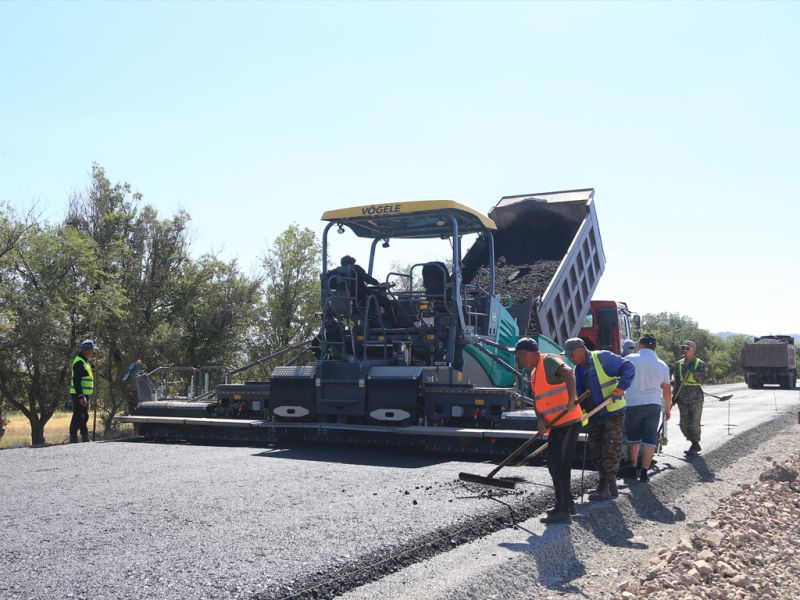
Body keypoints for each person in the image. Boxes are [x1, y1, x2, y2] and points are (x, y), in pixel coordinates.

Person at [511, 337, 582, 525]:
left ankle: (563, 509)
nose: (519, 361)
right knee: (555, 463)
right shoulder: (535, 373)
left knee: (558, 464)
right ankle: (567, 504)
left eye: (519, 357)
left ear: (526, 353)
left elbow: (568, 373)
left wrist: (570, 398)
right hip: (556, 424)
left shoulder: (548, 360)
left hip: (567, 421)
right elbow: (538, 401)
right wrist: (540, 419)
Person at [563, 337, 635, 501]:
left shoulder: (602, 358)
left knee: (610, 448)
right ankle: (610, 484)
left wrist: (620, 388)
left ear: (581, 349)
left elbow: (628, 367)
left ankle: (605, 486)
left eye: (572, 355)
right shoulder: (577, 370)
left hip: (611, 412)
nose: (570, 358)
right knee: (596, 451)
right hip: (594, 414)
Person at [621, 334, 672, 482]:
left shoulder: (629, 359)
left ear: (641, 345)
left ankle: (632, 468)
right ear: (654, 347)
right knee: (650, 438)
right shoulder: (662, 365)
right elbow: (667, 390)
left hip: (633, 404)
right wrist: (667, 409)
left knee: (633, 437)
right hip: (653, 405)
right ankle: (644, 472)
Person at [673, 339, 706, 455]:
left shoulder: (699, 363)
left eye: (688, 348)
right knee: (683, 424)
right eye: (683, 348)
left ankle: (695, 443)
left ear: (694, 350)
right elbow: (676, 381)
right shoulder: (678, 364)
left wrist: (693, 370)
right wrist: (674, 397)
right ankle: (692, 441)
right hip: (682, 397)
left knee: (695, 423)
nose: (685, 350)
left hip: (696, 397)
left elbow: (702, 380)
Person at [69, 339, 98, 443]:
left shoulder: (85, 361)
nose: (93, 352)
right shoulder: (79, 362)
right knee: (78, 415)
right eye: (92, 350)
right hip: (79, 394)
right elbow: (76, 380)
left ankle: (84, 436)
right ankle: (73, 437)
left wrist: (94, 367)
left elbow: (86, 373)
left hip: (85, 394)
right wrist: (80, 396)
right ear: (86, 350)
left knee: (84, 416)